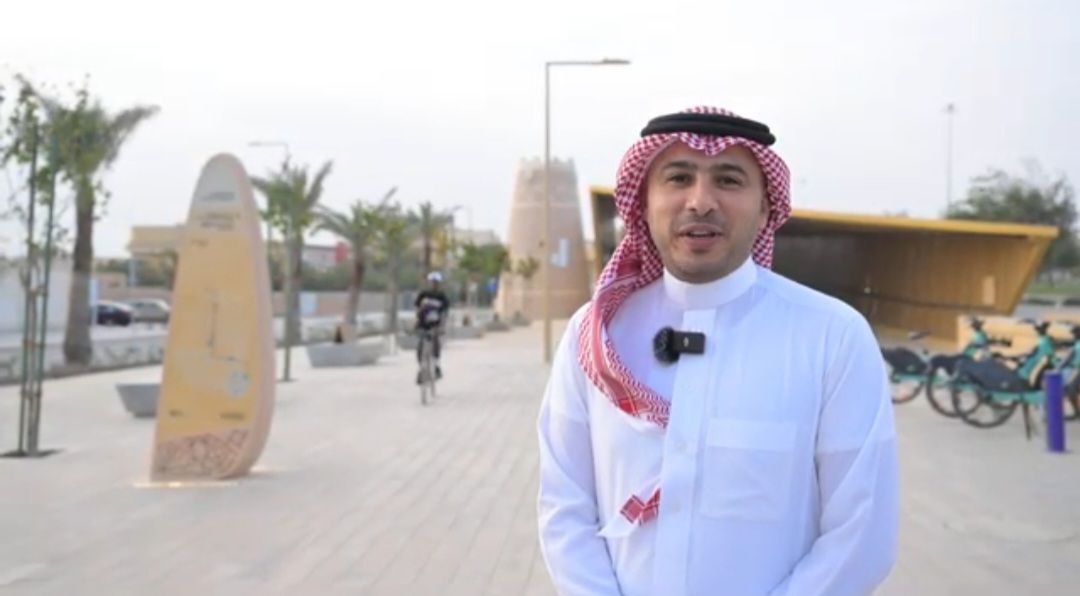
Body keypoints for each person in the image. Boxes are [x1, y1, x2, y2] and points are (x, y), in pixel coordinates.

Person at [537, 106, 899, 595]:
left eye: (728, 180)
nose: (701, 201)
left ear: (766, 208)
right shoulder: (595, 334)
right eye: (678, 178)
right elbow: (564, 507)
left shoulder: (832, 337)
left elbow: (861, 534)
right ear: (642, 203)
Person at [415, 271, 450, 381]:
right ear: (429, 282)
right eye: (432, 281)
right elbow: (417, 309)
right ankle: (421, 369)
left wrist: (443, 326)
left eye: (436, 282)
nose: (434, 284)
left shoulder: (442, 296)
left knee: (435, 341)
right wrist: (416, 320)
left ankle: (436, 366)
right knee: (420, 344)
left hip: (436, 324)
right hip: (423, 323)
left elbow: (445, 313)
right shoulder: (423, 294)